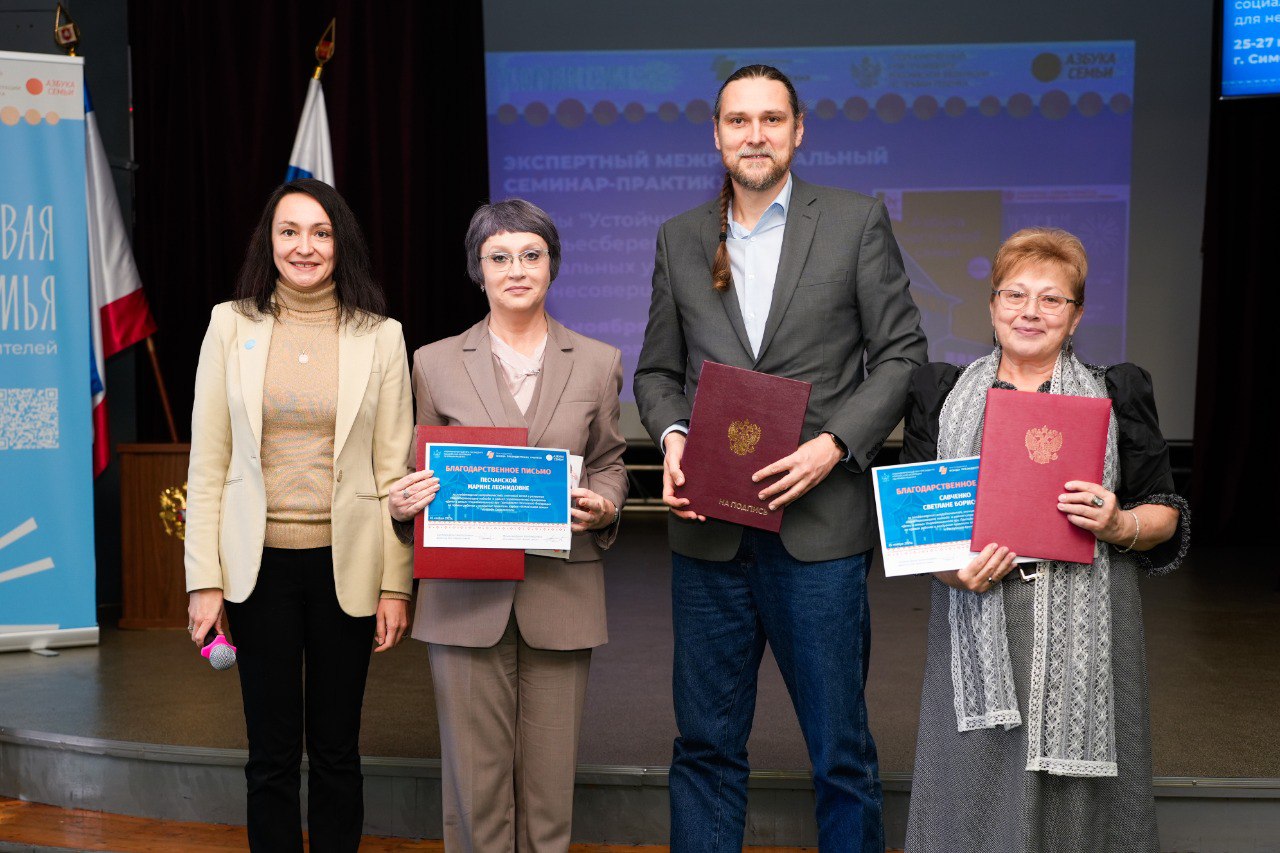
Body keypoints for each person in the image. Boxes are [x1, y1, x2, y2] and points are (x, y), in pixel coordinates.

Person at [633, 64, 927, 851]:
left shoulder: (857, 221)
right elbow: (658, 370)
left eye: (770, 119)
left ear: (799, 130)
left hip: (819, 533)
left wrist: (834, 445)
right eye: (738, 121)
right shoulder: (681, 237)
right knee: (704, 747)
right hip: (710, 536)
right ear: (717, 135)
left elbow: (901, 356)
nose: (754, 135)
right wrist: (671, 436)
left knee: (840, 752)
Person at [901, 227, 1190, 853]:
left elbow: (1165, 513)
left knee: (1078, 807)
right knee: (974, 787)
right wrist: (955, 571)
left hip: (1091, 638)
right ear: (992, 305)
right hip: (978, 627)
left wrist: (1119, 524)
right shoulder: (940, 394)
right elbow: (918, 527)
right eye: (1015, 294)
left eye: (1052, 299)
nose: (1030, 312)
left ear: (1077, 314)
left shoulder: (1119, 393)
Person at [388, 198, 627, 852]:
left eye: (531, 254)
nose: (516, 269)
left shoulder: (598, 360)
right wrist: (401, 503)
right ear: (478, 269)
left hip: (562, 590)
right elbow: (411, 467)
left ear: (552, 264)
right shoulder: (433, 362)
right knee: (474, 782)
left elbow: (609, 462)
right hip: (465, 596)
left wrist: (606, 502)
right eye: (500, 257)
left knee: (550, 788)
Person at [184, 178, 413, 852]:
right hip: (258, 571)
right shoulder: (231, 324)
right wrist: (204, 579)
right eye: (290, 231)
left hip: (350, 565)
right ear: (270, 241)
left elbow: (394, 470)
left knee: (339, 750)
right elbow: (208, 464)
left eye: (320, 232)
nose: (304, 246)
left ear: (340, 244)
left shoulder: (381, 336)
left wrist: (396, 584)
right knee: (271, 754)